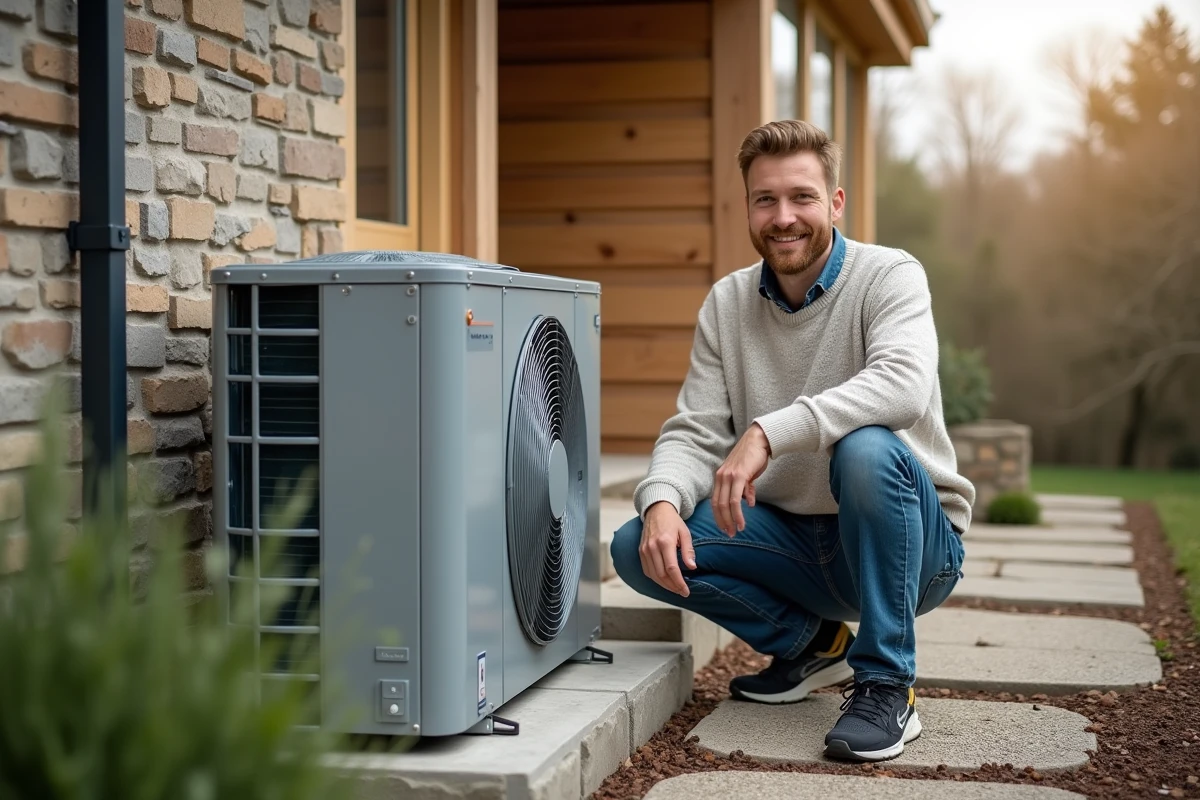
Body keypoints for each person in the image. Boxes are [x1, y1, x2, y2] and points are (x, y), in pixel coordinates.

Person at [609, 119, 974, 763]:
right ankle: (811, 644)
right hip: (797, 544)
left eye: (802, 197)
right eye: (765, 199)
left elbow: (902, 387)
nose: (784, 217)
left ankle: (888, 684)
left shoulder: (889, 276)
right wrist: (663, 497)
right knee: (641, 544)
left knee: (866, 447)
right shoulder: (727, 302)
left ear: (835, 202)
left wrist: (766, 433)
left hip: (912, 549)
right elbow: (695, 428)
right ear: (747, 207)